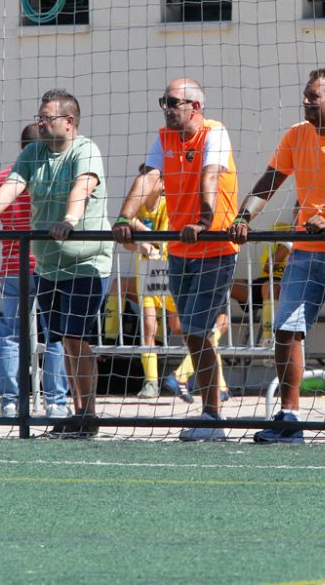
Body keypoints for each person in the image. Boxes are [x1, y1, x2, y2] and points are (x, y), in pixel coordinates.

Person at [230, 68, 325, 444]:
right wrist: (244, 216)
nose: (306, 101)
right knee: (286, 328)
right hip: (305, 249)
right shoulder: (296, 135)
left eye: (314, 96)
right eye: (306, 95)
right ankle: (290, 417)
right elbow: (269, 181)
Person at [0, 89, 112, 439]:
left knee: (75, 339)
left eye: (47, 117)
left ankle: (86, 415)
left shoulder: (85, 149)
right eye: (40, 116)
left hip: (87, 264)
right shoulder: (33, 152)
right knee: (57, 339)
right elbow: (11, 186)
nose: (40, 122)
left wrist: (71, 219)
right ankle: (69, 414)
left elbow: (83, 185)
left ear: (69, 122)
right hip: (47, 266)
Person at [113, 78, 239, 442]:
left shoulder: (215, 133)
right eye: (163, 100)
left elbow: (210, 175)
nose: (166, 107)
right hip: (180, 250)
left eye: (173, 102)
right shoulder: (164, 138)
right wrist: (124, 218)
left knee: (199, 331)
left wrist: (203, 219)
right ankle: (209, 412)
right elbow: (148, 177)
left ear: (195, 107)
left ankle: (213, 415)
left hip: (215, 248)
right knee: (192, 333)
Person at [0, 123, 70, 418]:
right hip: (50, 266)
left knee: (11, 335)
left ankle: (10, 401)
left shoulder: (0, 182)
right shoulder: (54, 177)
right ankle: (56, 401)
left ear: (21, 148)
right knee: (54, 334)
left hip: (15, 267)